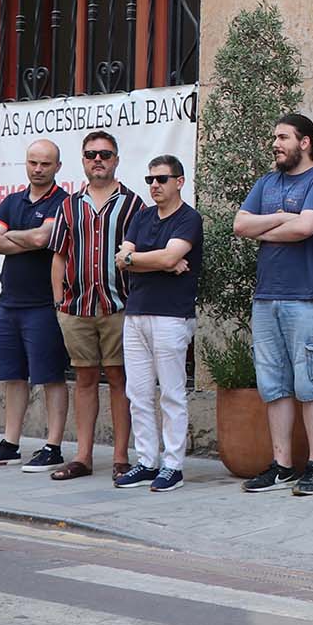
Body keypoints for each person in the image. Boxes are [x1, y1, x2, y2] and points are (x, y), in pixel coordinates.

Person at [234, 113, 313, 496]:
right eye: (274, 138)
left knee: (309, 382)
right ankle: (282, 466)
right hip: (267, 298)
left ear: (305, 142)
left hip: (309, 298)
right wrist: (282, 216)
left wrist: (270, 227)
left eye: (283, 137)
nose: (276, 144)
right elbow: (240, 225)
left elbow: (306, 228)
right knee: (273, 384)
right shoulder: (266, 183)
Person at [0, 140, 72, 472]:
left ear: (57, 167)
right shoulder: (11, 201)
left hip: (44, 304)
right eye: (33, 162)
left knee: (50, 377)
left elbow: (44, 239)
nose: (38, 168)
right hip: (9, 303)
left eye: (45, 163)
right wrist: (25, 237)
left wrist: (12, 236)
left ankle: (53, 446)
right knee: (13, 377)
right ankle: (11, 444)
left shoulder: (64, 203)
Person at [49, 130, 141, 483]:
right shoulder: (69, 205)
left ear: (116, 159)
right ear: (83, 161)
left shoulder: (134, 204)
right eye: (91, 154)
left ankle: (120, 458)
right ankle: (83, 456)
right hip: (76, 307)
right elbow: (59, 256)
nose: (98, 160)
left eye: (104, 154)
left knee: (119, 378)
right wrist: (59, 301)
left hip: (119, 304)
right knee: (85, 378)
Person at [115, 153, 201, 491]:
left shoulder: (188, 218)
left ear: (179, 182)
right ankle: (147, 461)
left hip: (171, 315)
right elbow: (122, 260)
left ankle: (173, 466)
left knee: (172, 393)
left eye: (162, 179)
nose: (154, 185)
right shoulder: (142, 216)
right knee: (137, 393)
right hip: (136, 313)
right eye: (150, 179)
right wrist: (163, 263)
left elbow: (166, 255)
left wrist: (153, 259)